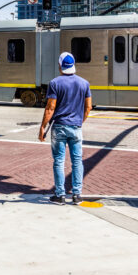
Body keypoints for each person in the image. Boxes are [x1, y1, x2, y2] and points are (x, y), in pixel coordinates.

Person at [38, 51, 92, 205]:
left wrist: (42, 127)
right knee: (77, 161)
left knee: (59, 161)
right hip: (76, 127)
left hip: (59, 127)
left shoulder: (55, 83)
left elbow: (50, 108)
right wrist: (79, 121)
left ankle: (60, 195)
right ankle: (77, 195)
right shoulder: (84, 83)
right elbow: (88, 107)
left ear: (60, 66)